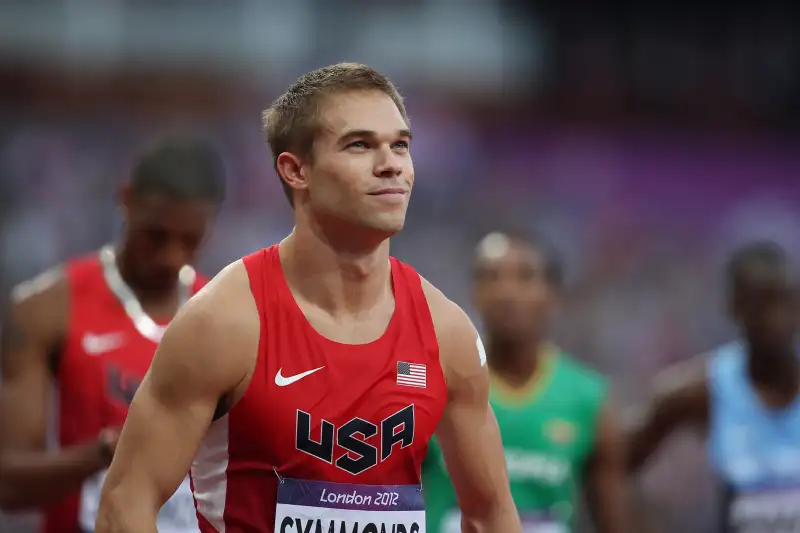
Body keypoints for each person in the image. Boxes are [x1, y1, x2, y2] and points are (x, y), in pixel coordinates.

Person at [94, 63, 521, 533]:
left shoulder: (447, 333)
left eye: (400, 145)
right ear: (296, 170)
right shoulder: (225, 322)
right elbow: (125, 502)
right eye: (360, 145)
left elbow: (491, 515)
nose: (391, 164)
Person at [0, 135, 226, 533]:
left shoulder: (228, 316)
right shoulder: (46, 308)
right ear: (126, 199)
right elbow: (8, 481)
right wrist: (102, 453)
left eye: (190, 240)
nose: (171, 256)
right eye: (156, 235)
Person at [422, 231, 630, 533]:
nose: (507, 292)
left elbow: (614, 522)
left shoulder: (588, 400)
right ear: (474, 293)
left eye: (525, 277)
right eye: (491, 277)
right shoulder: (432, 385)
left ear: (553, 295)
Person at [627, 240, 800, 532]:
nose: (775, 319)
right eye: (760, 305)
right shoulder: (702, 389)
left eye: (785, 302)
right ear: (735, 308)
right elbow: (614, 462)